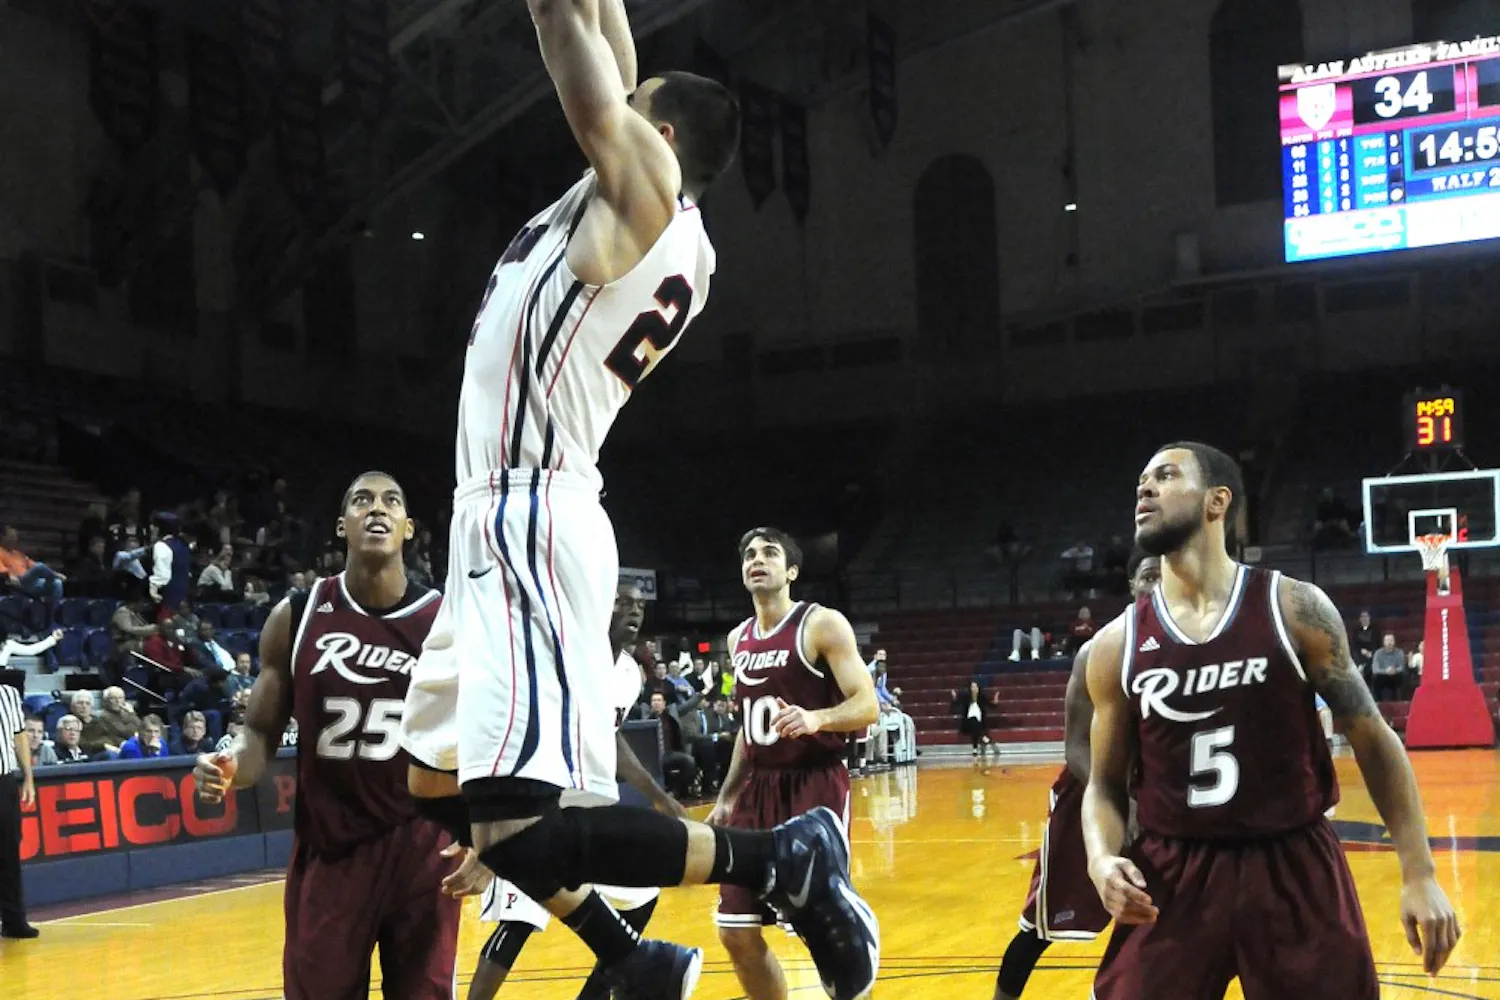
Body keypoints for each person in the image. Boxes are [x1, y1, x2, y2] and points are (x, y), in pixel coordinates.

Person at [396, 4, 876, 999]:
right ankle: (635, 957)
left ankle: (782, 860)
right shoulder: (644, 207)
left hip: (530, 510)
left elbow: (578, 45)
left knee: (517, 824)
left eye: (632, 104)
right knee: (435, 785)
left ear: (655, 138)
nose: (616, 97)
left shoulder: (645, 195)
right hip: (497, 514)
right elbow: (606, 38)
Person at [1081, 442, 1460, 998]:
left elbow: (1374, 739)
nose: (1145, 488)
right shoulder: (1117, 645)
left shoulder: (1294, 608)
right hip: (1173, 874)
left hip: (1291, 864)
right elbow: (1106, 784)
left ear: (1217, 501)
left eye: (1165, 476)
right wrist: (1100, 859)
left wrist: (1420, 872)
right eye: (1141, 480)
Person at [194, 472, 465, 1000]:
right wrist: (231, 764)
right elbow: (258, 735)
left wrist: (481, 836)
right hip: (331, 846)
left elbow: (478, 739)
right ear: (343, 525)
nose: (377, 509)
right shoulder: (295, 615)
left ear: (409, 528)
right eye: (362, 501)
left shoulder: (444, 621)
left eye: (391, 500)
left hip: (423, 844)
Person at [468, 583, 685, 1000]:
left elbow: (611, 737)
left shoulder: (628, 674)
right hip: (536, 802)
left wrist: (657, 795)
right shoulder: (563, 654)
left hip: (591, 807)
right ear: (600, 605)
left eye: (639, 605)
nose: (633, 612)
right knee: (518, 921)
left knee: (641, 894)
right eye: (623, 603)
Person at [709, 528, 880, 1000]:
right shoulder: (736, 639)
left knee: (825, 930)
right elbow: (749, 727)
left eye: (768, 552)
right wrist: (726, 798)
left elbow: (867, 705)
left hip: (814, 787)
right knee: (736, 930)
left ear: (792, 571)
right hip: (757, 790)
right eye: (748, 554)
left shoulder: (822, 624)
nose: (755, 559)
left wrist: (816, 717)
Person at [993, 551, 1161, 1000]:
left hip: (1159, 800)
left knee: (1161, 916)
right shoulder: (1099, 649)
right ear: (1131, 585)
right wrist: (1121, 801)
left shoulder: (1190, 648)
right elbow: (1075, 748)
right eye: (1148, 576)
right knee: (1042, 925)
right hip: (1089, 798)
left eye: (1165, 575)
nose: (1156, 583)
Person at [0, 677, 37, 938]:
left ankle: (14, 920)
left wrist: (28, 778)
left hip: (3, 780)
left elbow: (19, 735)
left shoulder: (9, 694)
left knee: (8, 852)